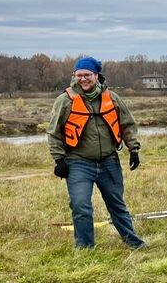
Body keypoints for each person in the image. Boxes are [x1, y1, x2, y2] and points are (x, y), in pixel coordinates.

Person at [47, 56, 145, 249]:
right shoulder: (65, 101)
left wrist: (134, 149)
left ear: (96, 75)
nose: (83, 79)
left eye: (87, 75)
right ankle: (85, 249)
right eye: (79, 75)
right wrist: (59, 160)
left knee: (117, 205)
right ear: (74, 76)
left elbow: (127, 124)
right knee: (81, 206)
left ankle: (134, 244)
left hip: (109, 162)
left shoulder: (112, 98)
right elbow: (54, 132)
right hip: (78, 163)